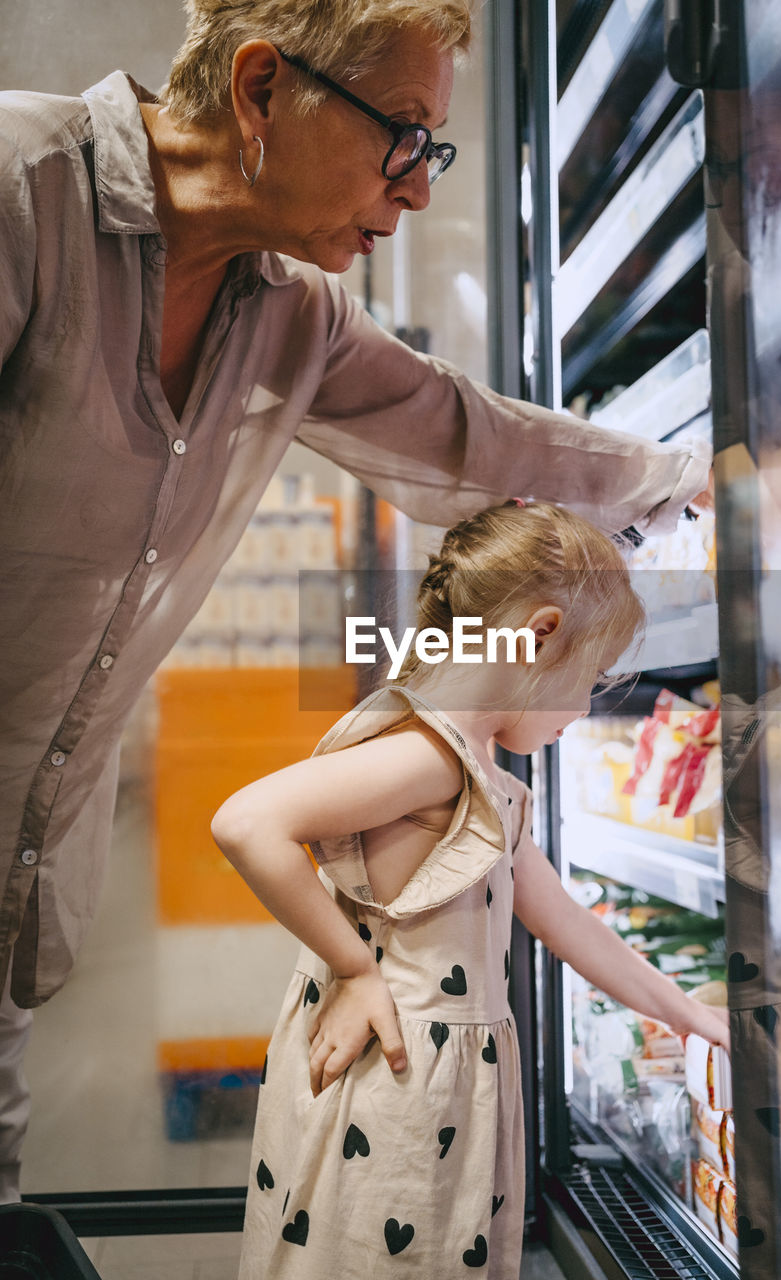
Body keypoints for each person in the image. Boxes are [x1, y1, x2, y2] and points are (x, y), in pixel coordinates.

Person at [0, 0, 722, 1201]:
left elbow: (469, 433)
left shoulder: (291, 312)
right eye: (405, 137)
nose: (419, 190)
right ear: (262, 87)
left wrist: (700, 483)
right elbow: (257, 822)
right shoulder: (22, 194)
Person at [212, 500, 730, 1278]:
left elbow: (566, 923)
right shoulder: (430, 756)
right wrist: (354, 968)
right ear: (539, 634)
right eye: (588, 679)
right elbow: (248, 822)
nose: (584, 709)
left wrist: (690, 1016)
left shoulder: (483, 777)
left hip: (441, 1087)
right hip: (394, 1079)